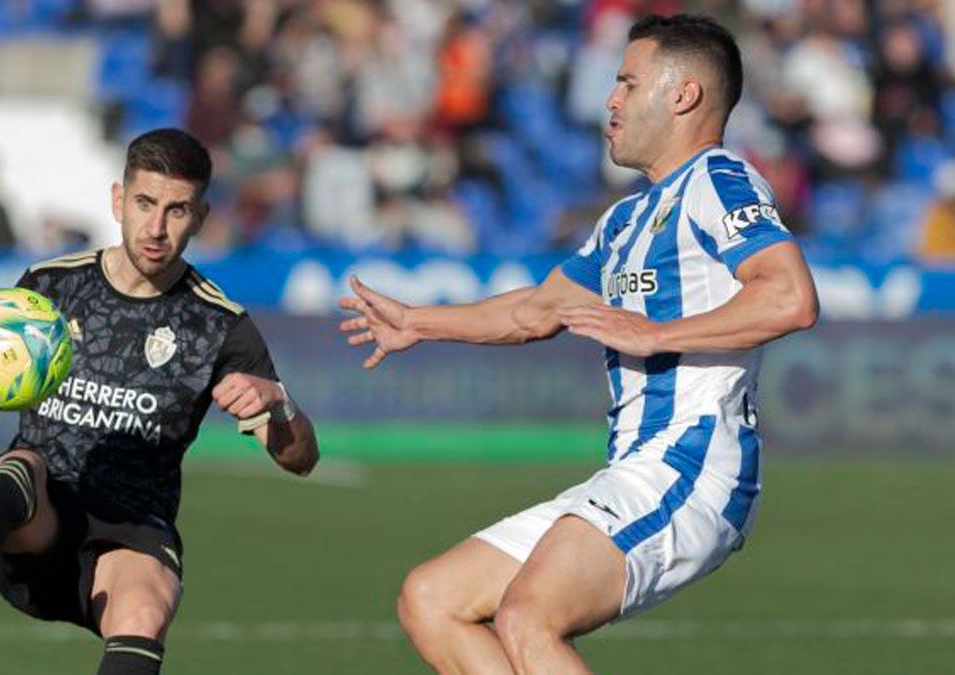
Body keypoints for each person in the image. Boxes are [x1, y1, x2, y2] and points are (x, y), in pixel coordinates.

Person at [339, 14, 817, 674]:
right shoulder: (625, 218)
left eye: (627, 82)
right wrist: (421, 322)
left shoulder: (717, 181)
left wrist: (656, 334)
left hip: (692, 461)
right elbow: (539, 309)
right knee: (432, 599)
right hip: (633, 468)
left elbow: (789, 296)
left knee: (529, 617)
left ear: (683, 95)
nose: (611, 100)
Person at [0, 128, 319, 675]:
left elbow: (300, 459)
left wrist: (279, 404)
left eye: (177, 210)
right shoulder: (51, 286)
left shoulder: (221, 325)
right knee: (24, 464)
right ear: (118, 199)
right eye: (145, 203)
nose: (156, 227)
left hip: (132, 528)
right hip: (33, 518)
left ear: (200, 216)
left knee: (146, 611)